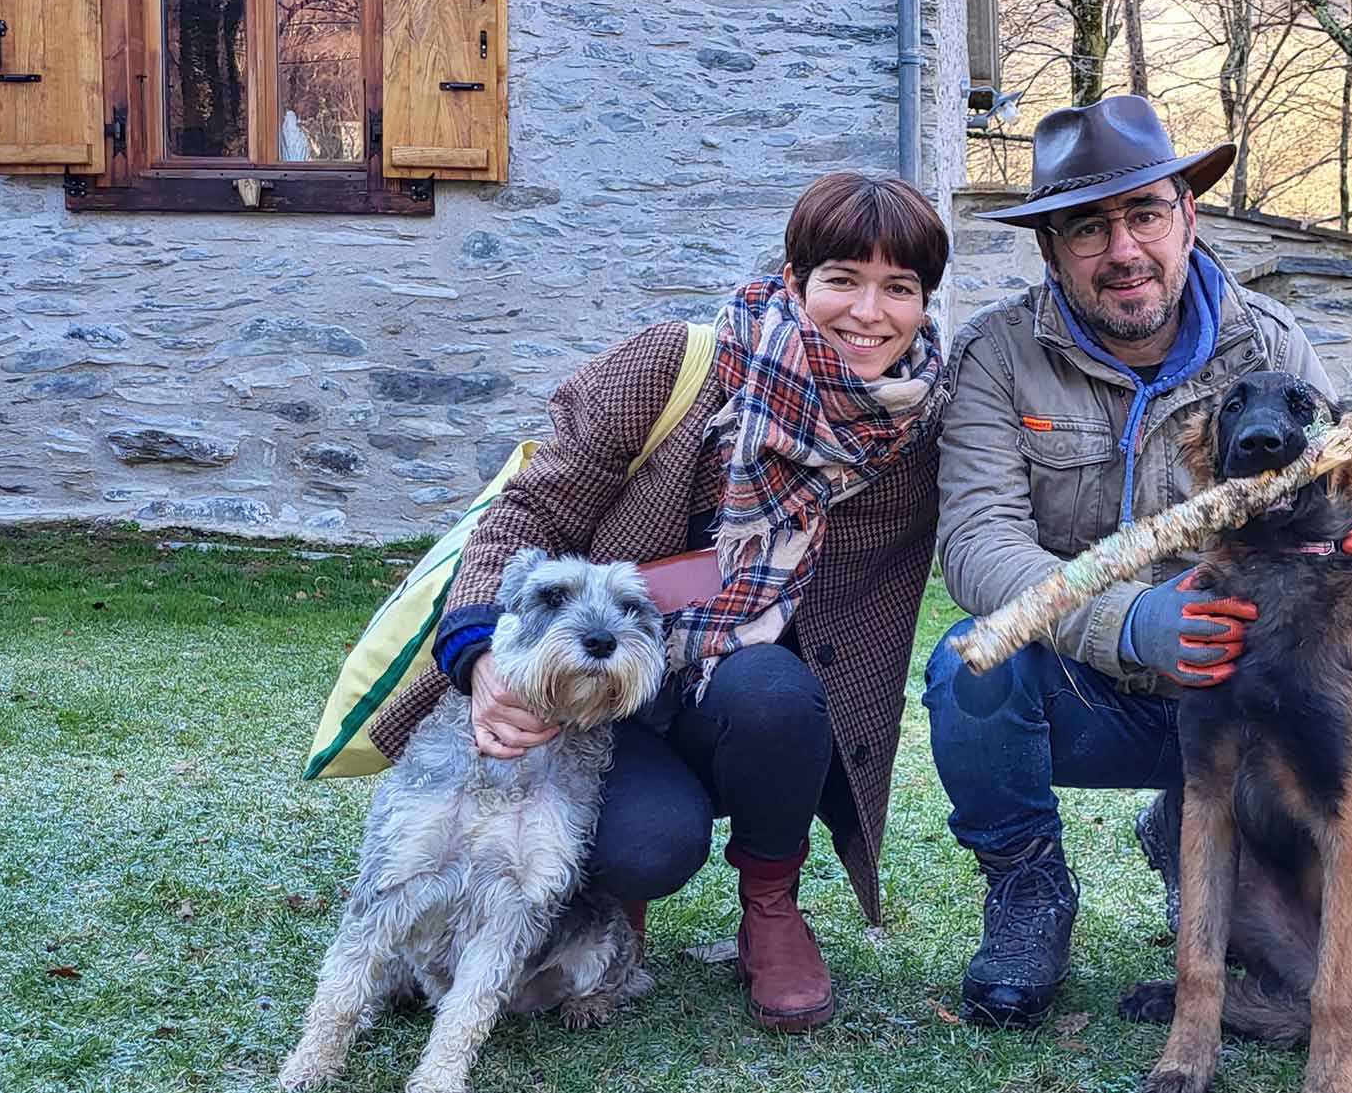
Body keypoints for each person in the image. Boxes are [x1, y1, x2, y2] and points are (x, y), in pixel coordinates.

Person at [922, 96, 1352, 1028]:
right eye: (1088, 228)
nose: (1123, 249)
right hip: (1090, 680)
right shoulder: (995, 357)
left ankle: (1214, 857)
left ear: (1188, 215)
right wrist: (1133, 625)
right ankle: (1027, 889)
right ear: (1051, 250)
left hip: (1252, 685)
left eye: (1145, 213)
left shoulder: (1272, 343)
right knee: (965, 670)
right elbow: (979, 542)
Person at [366, 173, 951, 1033]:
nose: (869, 311)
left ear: (923, 302)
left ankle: (771, 908)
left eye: (898, 287)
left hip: (751, 702)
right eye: (842, 279)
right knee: (644, 844)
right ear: (794, 281)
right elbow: (526, 512)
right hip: (606, 688)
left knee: (774, 695)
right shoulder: (675, 367)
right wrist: (482, 650)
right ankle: (605, 895)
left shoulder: (921, 426)